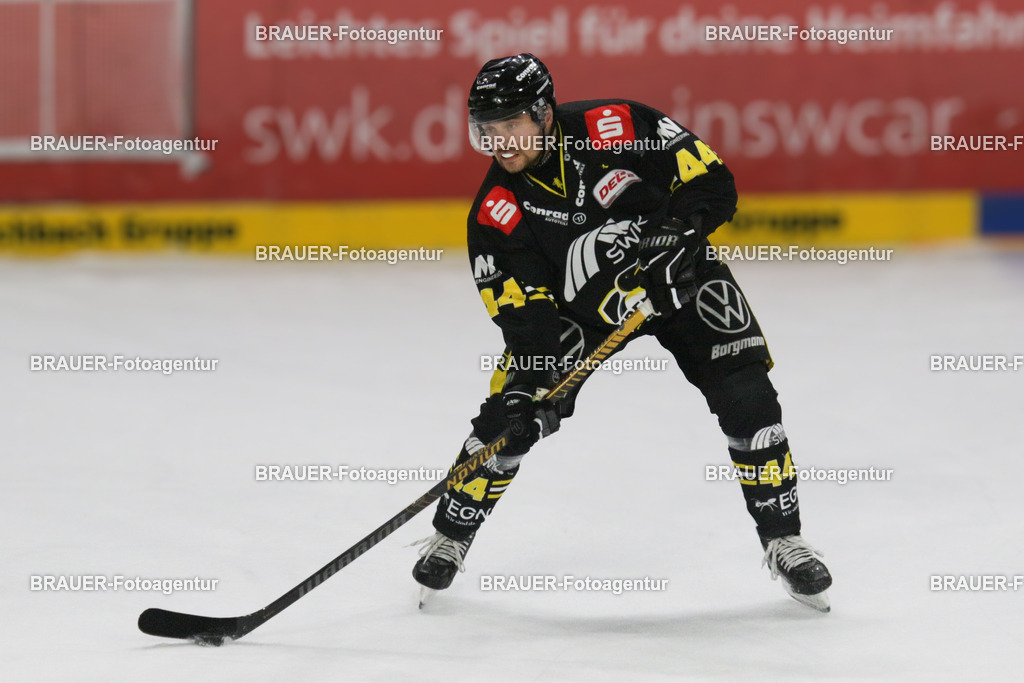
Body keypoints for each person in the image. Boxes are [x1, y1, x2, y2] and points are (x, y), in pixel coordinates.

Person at [412, 53, 832, 612]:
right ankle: (451, 534)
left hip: (679, 279)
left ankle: (784, 540)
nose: (500, 144)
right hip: (584, 310)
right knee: (507, 416)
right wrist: (527, 394)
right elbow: (528, 321)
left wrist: (678, 233)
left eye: (510, 126)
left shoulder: (618, 125)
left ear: (544, 113)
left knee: (748, 395)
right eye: (487, 131)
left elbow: (713, 182)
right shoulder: (496, 214)